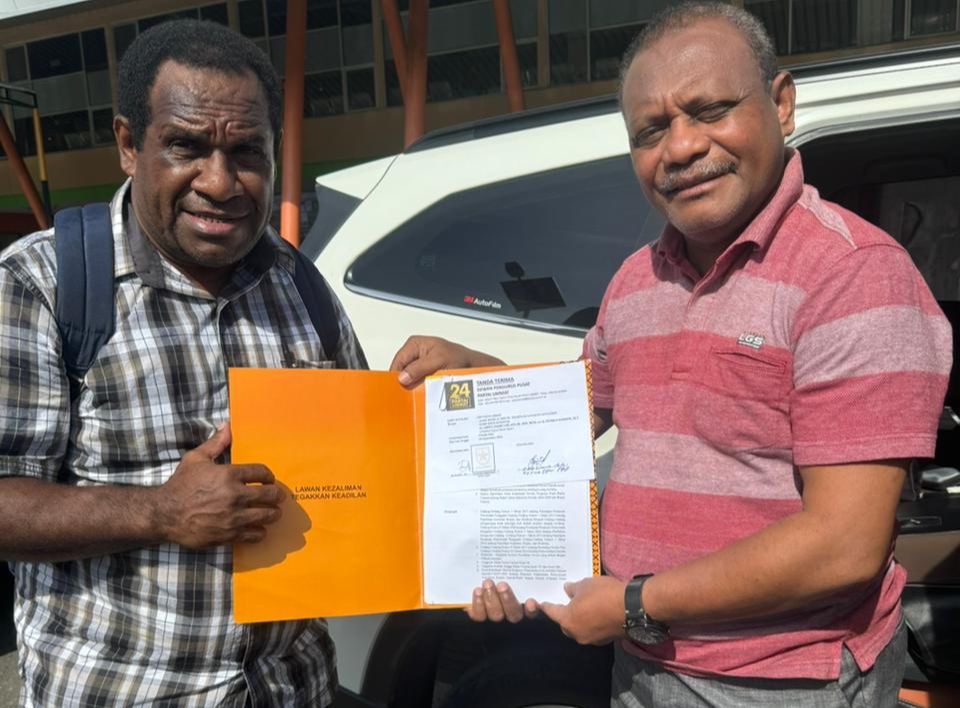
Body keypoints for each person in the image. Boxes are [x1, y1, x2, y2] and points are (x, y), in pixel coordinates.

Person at [393, 2, 952, 706]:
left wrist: (634, 603)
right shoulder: (637, 280)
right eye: (650, 132)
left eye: (710, 110)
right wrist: (478, 375)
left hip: (780, 681)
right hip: (639, 662)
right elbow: (567, 417)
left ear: (781, 104)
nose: (681, 148)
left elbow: (844, 546)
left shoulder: (853, 274)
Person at [0, 19, 498, 707]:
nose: (220, 181)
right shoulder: (41, 286)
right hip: (125, 691)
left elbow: (372, 477)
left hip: (293, 687)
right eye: (186, 146)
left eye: (246, 151)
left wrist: (468, 407)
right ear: (128, 145)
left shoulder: (299, 284)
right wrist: (160, 513)